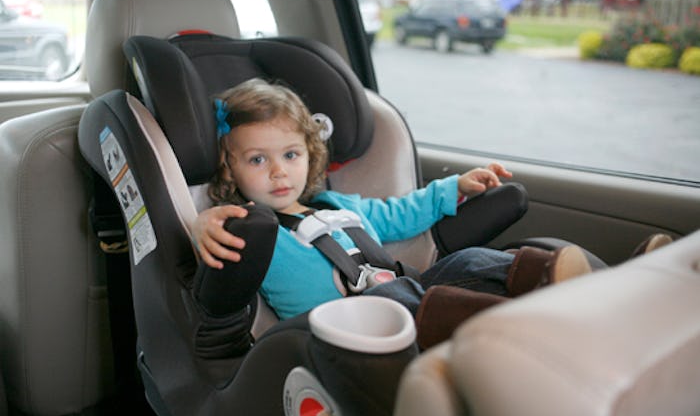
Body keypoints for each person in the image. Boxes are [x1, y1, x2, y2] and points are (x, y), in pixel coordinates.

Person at [191, 78, 597, 325]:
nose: (279, 172)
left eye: (290, 155)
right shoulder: (252, 230)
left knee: (468, 261)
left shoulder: (339, 204)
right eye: (258, 159)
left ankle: (558, 278)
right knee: (398, 297)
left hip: (407, 295)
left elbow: (400, 214)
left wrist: (453, 188)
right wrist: (202, 226)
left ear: (310, 154)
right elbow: (214, 237)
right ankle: (506, 320)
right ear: (229, 169)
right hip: (345, 327)